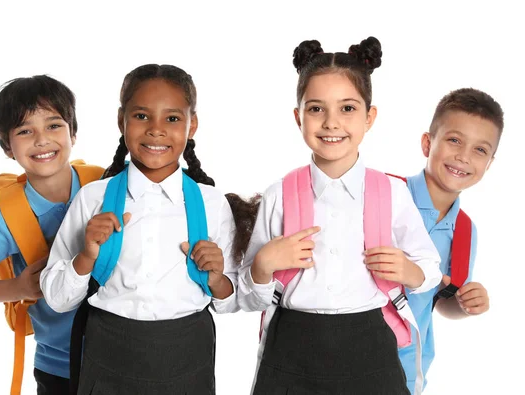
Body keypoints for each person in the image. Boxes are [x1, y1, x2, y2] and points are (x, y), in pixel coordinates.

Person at [237, 37, 442, 395]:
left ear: (369, 117)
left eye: (347, 108)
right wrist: (263, 266)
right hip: (290, 347)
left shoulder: (391, 194)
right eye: (316, 109)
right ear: (299, 117)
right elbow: (249, 294)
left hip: (370, 347)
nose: (331, 123)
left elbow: (429, 266)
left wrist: (410, 271)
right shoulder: (278, 195)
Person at [40, 64, 256, 395]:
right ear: (121, 120)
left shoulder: (211, 204)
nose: (156, 130)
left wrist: (216, 277)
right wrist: (86, 256)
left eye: (172, 118)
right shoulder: (93, 198)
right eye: (141, 116)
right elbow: (57, 299)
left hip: (187, 354)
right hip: (108, 352)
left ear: (192, 124)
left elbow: (230, 300)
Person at [0, 75, 101, 395]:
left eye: (53, 125)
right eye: (25, 130)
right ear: (7, 146)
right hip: (58, 363)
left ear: (73, 132)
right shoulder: (7, 219)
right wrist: (19, 286)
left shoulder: (103, 184)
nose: (41, 139)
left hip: (122, 352)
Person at [398, 87, 500, 393]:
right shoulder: (386, 195)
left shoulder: (466, 232)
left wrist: (465, 304)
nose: (463, 157)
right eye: (454, 140)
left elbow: (442, 302)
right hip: (343, 354)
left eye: (480, 150)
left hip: (405, 370)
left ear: (489, 164)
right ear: (428, 143)